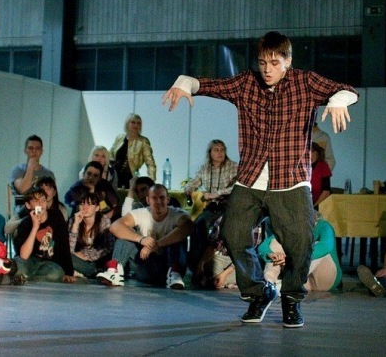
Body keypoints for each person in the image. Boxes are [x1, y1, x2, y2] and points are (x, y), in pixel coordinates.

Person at [162, 31, 358, 328]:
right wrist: (184, 82)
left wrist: (339, 100)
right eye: (263, 62)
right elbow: (209, 85)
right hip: (251, 179)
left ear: (288, 62)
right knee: (232, 232)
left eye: (274, 63)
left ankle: (291, 299)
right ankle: (258, 292)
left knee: (301, 240)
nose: (267, 69)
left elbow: (347, 90)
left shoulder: (305, 83)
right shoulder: (246, 83)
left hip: (291, 180)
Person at [96, 184, 193, 288]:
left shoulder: (177, 213)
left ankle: (174, 274)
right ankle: (114, 272)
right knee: (124, 238)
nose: (158, 202)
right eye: (154, 198)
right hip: (146, 266)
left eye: (162, 198)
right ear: (148, 200)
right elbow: (115, 226)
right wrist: (141, 239)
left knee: (179, 239)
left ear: (168, 199)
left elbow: (188, 227)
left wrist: (155, 244)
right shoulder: (142, 212)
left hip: (168, 266)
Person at [184, 139, 238, 275]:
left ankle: (208, 261)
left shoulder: (233, 167)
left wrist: (217, 193)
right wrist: (189, 189)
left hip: (228, 206)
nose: (220, 153)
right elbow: (194, 181)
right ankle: (195, 263)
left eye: (222, 149)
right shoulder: (205, 168)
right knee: (197, 225)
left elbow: (236, 187)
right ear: (210, 153)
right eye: (216, 150)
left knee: (213, 228)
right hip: (212, 207)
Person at [260, 213, 342, 292]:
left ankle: (292, 280)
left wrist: (294, 258)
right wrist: (271, 254)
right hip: (304, 283)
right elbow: (263, 245)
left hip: (325, 279)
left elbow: (326, 246)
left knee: (311, 246)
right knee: (275, 243)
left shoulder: (324, 226)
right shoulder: (291, 228)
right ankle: (269, 284)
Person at [13, 187, 76, 283]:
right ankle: (25, 277)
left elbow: (64, 244)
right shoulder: (25, 223)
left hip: (50, 262)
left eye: (43, 200)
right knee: (18, 268)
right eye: (36, 201)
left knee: (56, 274)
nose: (40, 204)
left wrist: (69, 272)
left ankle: (25, 279)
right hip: (30, 260)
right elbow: (24, 256)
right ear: (28, 205)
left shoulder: (56, 216)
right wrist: (35, 227)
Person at [68, 192, 115, 278]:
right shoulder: (74, 220)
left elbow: (109, 247)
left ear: (97, 208)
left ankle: (94, 273)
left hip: (98, 261)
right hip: (78, 259)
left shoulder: (104, 221)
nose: (85, 207)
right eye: (82, 204)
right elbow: (69, 249)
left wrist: (86, 255)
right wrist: (75, 225)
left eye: (89, 204)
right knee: (66, 257)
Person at [9, 135, 55, 212]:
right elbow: (23, 190)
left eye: (37, 148)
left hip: (44, 208)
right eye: (31, 148)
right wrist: (30, 167)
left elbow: (52, 194)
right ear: (25, 151)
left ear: (41, 151)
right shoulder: (18, 170)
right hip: (23, 209)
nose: (34, 151)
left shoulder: (48, 173)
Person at [109, 113, 157, 189]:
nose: (136, 125)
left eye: (138, 123)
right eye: (133, 122)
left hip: (130, 179)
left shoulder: (143, 141)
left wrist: (151, 183)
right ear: (127, 124)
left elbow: (151, 164)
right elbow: (110, 154)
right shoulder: (119, 138)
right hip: (114, 177)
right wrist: (111, 162)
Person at [310, 142, 332, 209]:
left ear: (315, 153)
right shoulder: (302, 166)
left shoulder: (323, 166)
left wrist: (315, 207)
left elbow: (326, 191)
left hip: (322, 203)